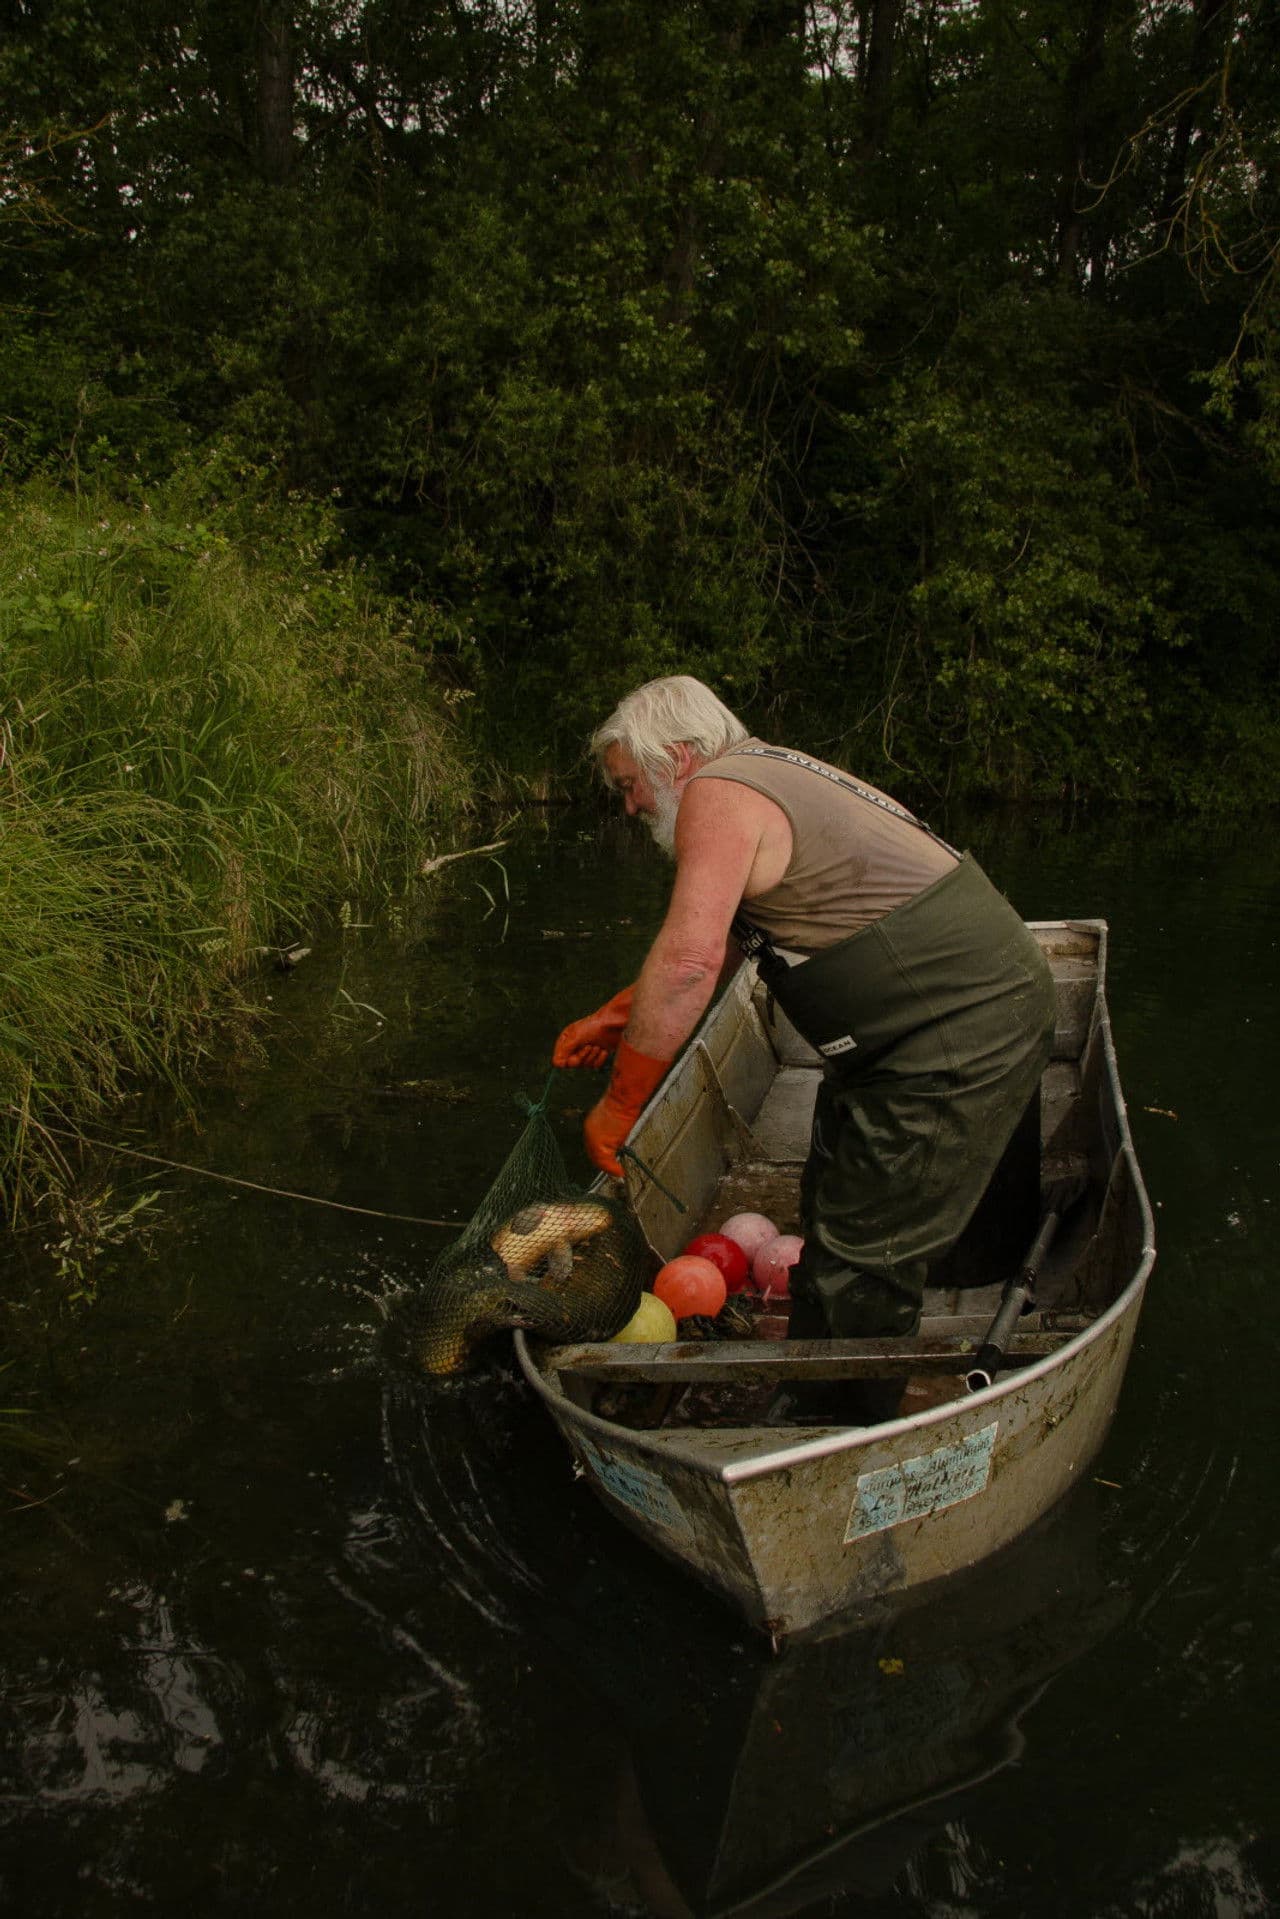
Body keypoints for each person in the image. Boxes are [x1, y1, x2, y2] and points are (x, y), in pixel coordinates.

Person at [552, 674, 1056, 1373]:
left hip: (959, 1023)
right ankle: (816, 1368)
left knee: (862, 1249)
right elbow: (721, 941)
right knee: (831, 1195)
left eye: (628, 782)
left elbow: (691, 963)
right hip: (902, 1033)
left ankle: (841, 1422)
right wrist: (616, 1020)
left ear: (673, 756)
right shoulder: (763, 771)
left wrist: (620, 1105)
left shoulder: (717, 793)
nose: (630, 804)